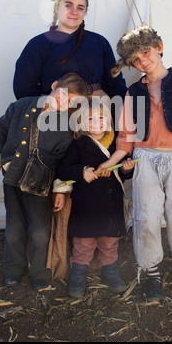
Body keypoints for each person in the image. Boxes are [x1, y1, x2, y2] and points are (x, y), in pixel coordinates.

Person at [96, 25, 172, 302]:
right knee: (145, 218)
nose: (142, 60)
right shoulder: (133, 92)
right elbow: (126, 136)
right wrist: (110, 162)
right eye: (135, 59)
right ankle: (152, 275)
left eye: (145, 52)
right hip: (144, 159)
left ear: (158, 47)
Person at [0, 73, 88, 290]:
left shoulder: (66, 126)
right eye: (63, 94)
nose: (64, 102)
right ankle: (13, 268)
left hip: (41, 184)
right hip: (12, 177)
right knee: (14, 226)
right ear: (53, 85)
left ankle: (40, 271)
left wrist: (61, 190)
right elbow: (1, 131)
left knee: (40, 230)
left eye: (71, 102)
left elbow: (64, 160)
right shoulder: (21, 105)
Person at [54, 98, 134, 298]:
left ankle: (110, 272)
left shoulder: (117, 143)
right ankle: (78, 277)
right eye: (90, 119)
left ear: (108, 121)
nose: (97, 123)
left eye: (101, 118)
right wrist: (83, 172)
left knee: (109, 242)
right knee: (83, 244)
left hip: (110, 204)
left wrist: (127, 170)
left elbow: (122, 174)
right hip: (87, 204)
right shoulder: (79, 145)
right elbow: (63, 168)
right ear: (81, 123)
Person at [13, 0, 127, 101]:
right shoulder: (38, 44)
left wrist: (122, 110)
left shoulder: (99, 42)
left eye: (80, 8)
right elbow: (24, 89)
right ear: (57, 7)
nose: (74, 11)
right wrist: (50, 106)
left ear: (85, 12)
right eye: (68, 5)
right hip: (57, 113)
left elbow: (115, 82)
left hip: (97, 112)